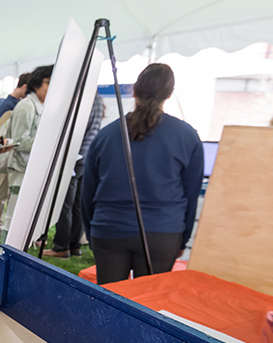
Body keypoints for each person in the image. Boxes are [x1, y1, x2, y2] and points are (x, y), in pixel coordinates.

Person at [81, 63, 203, 284]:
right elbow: (191, 194)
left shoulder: (106, 135)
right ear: (169, 94)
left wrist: (92, 233)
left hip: (109, 229)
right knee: (148, 305)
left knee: (109, 301)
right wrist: (182, 239)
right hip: (162, 232)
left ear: (134, 91)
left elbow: (87, 191)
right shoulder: (187, 136)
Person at [43, 92, 104, 258]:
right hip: (87, 157)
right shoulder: (97, 99)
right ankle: (74, 245)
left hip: (74, 157)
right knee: (78, 205)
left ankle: (61, 246)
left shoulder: (83, 99)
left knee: (65, 204)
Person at [0, 64, 52, 236]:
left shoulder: (40, 106)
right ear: (37, 84)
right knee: (12, 220)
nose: (51, 88)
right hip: (20, 171)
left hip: (30, 171)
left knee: (24, 222)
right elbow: (18, 141)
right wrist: (47, 141)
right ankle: (4, 258)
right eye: (48, 83)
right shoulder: (26, 106)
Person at [0, 72, 31, 235]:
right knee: (2, 193)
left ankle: (1, 225)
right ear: (25, 87)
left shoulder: (16, 103)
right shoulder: (10, 105)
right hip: (6, 156)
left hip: (13, 156)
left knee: (7, 193)